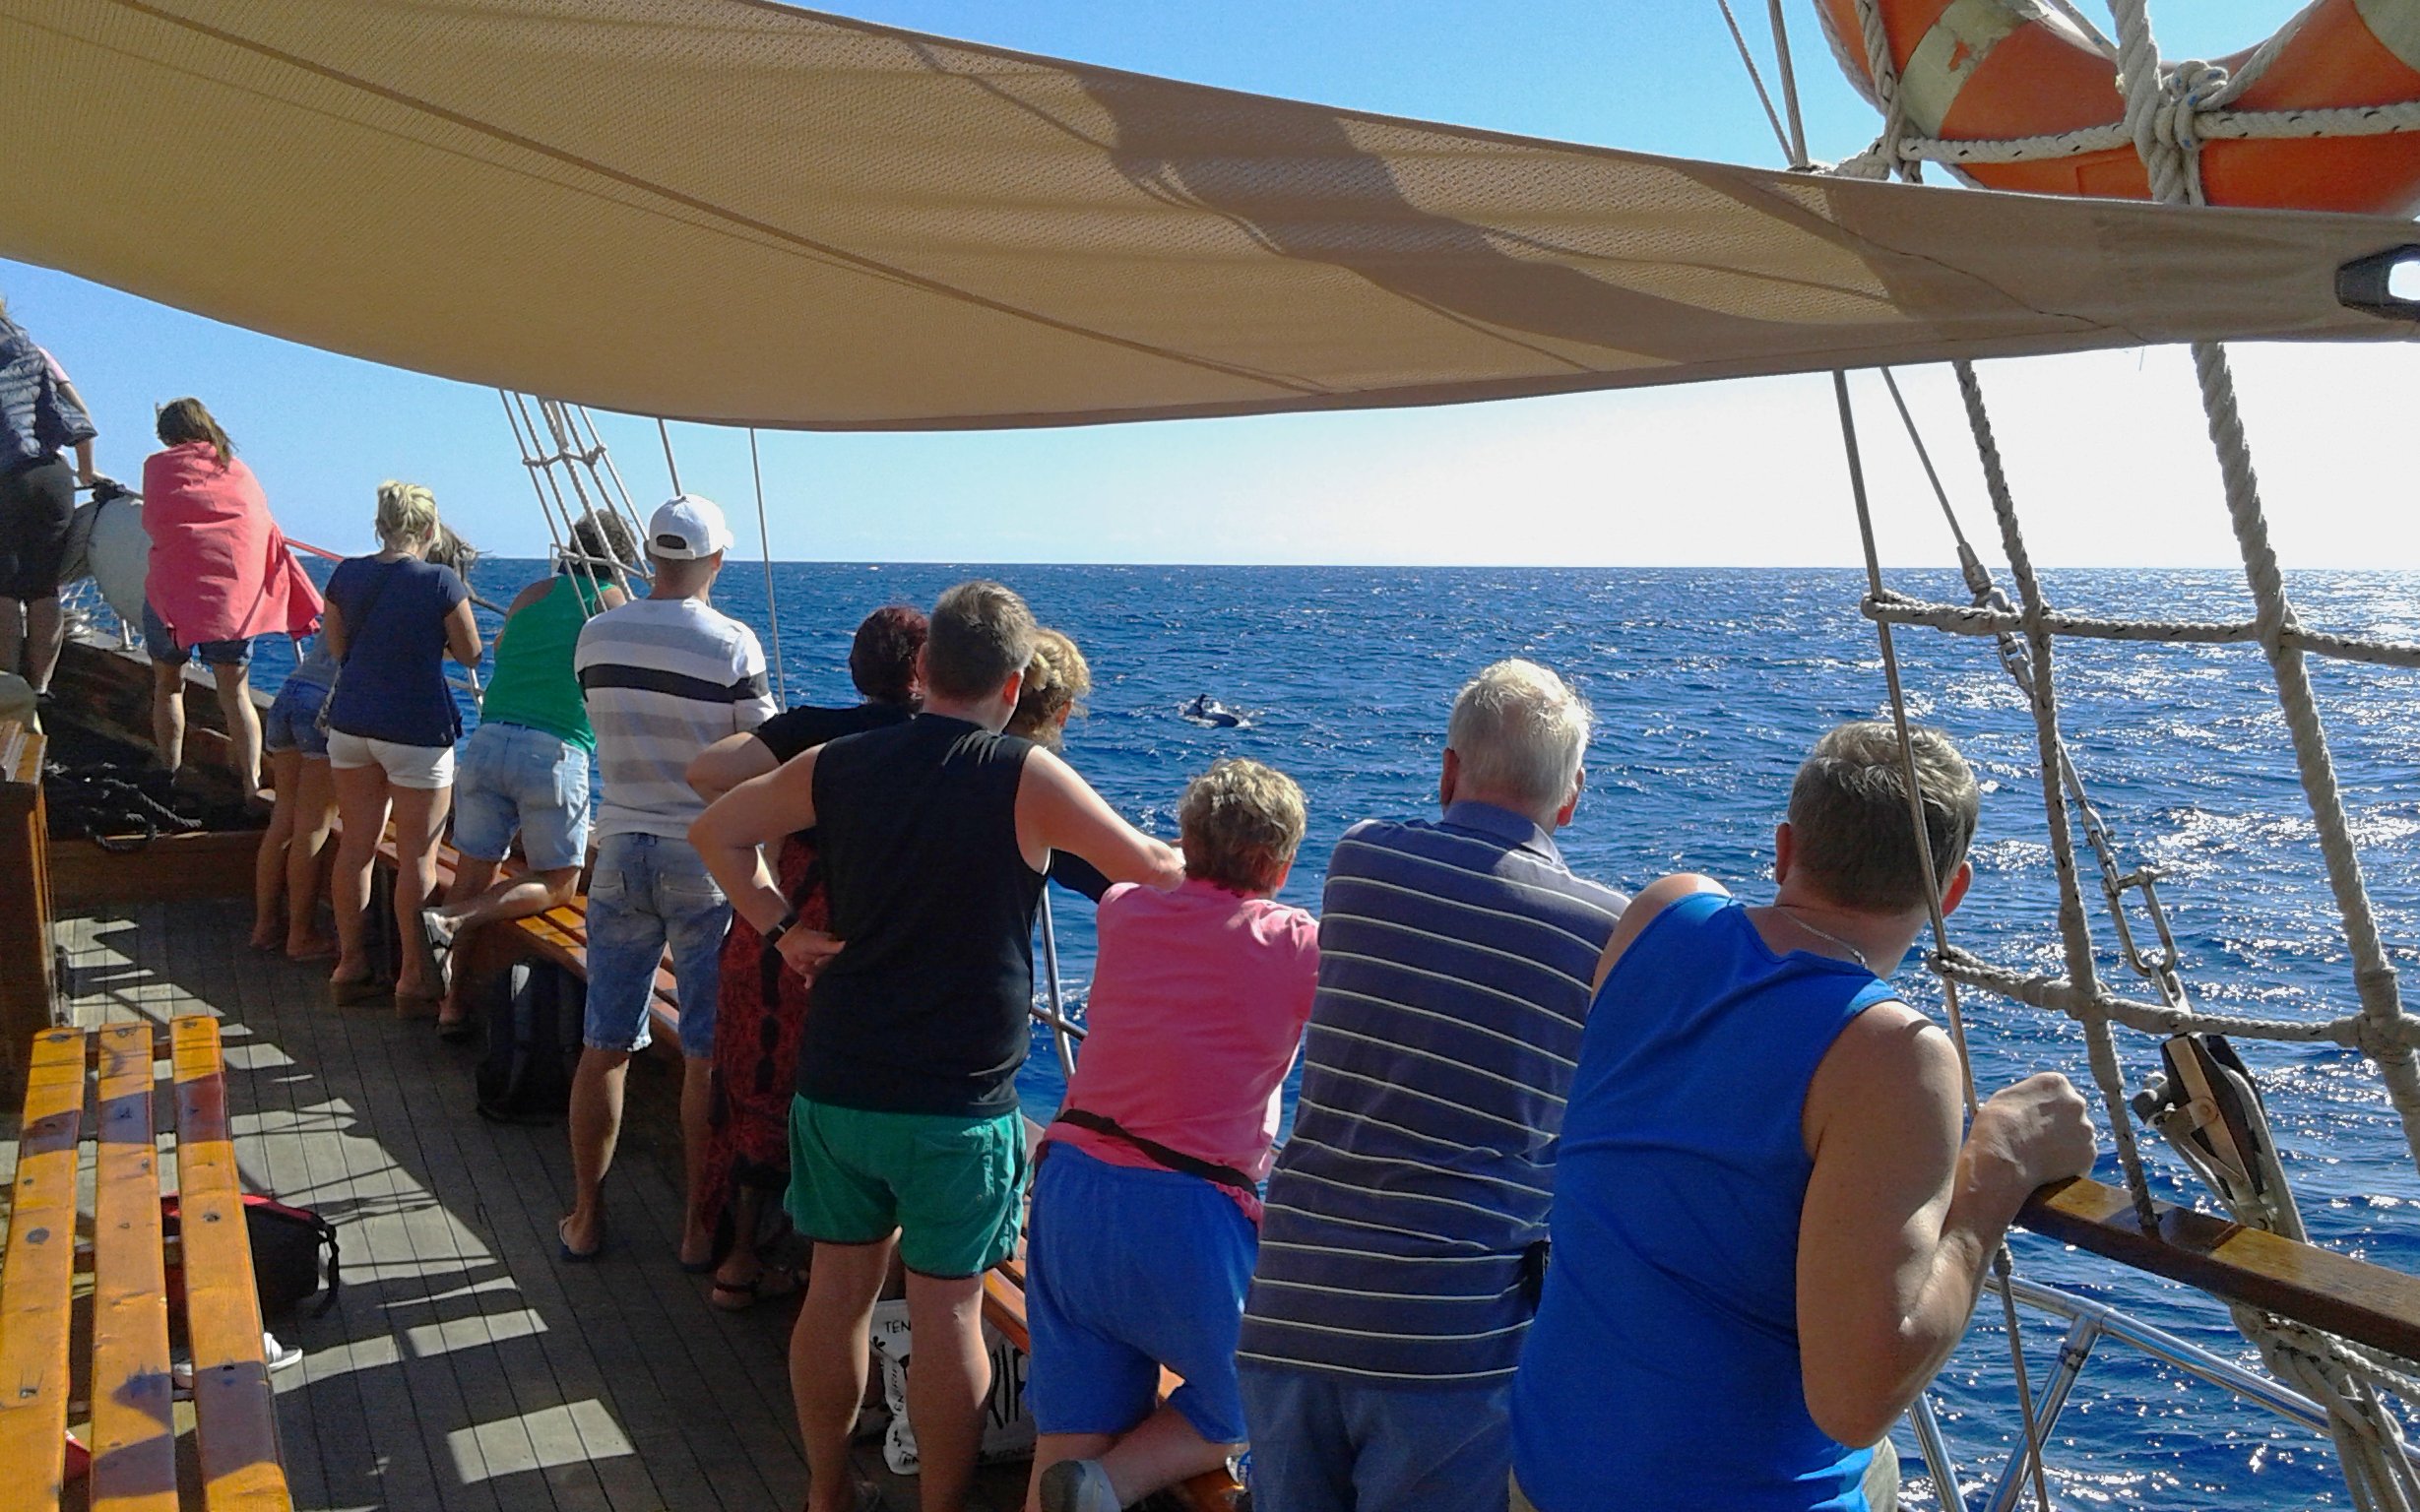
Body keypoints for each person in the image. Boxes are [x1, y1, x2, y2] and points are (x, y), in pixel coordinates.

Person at [687, 579, 1186, 1512]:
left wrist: (779, 928)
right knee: (948, 1310)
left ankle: (827, 1492)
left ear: (921, 670)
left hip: (839, 1087)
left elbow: (715, 827)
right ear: (1018, 679)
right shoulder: (1024, 775)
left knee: (834, 1293)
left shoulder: (841, 762)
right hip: (957, 1106)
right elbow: (1152, 871)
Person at [1507, 723, 2098, 1512]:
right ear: (1949, 891)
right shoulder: (1894, 1053)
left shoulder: (1662, 912)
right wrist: (1998, 1171)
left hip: (1547, 1467)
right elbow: (1854, 1404)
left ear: (1785, 849)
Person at [1236, 659, 1626, 1512]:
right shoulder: (1603, 930)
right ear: (1572, 798)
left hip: (1293, 1300)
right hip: (1444, 1338)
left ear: (1449, 770)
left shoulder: (1359, 857)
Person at [1025, 757, 1320, 1512]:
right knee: (1257, 1393)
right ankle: (1107, 1488)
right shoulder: (1295, 944)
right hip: (1184, 1211)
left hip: (1070, 1188)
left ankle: (1078, 1482)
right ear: (1279, 866)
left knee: (1070, 1432)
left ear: (1186, 842)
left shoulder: (1123, 908)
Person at [682, 602, 928, 1309]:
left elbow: (707, 773)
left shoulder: (811, 733)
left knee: (755, 1092)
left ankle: (733, 1256)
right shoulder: (929, 746)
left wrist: (784, 813)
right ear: (924, 671)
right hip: (849, 949)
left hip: (775, 934)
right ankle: (821, 1280)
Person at [560, 494, 776, 1269]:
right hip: (702, 856)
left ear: (653, 558)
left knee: (604, 1043)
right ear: (715, 561)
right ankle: (695, 1231)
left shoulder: (595, 634)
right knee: (703, 1054)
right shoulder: (732, 645)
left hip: (618, 847)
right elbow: (762, 751)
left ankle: (586, 1216)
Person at [422, 512, 640, 1038]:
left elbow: (498, 651)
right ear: (620, 557)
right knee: (561, 884)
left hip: (490, 739)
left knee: (472, 873)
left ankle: (451, 1007)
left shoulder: (530, 595)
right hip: (552, 749)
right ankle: (452, 921)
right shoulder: (612, 603)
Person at [323, 482, 481, 1008]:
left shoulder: (346, 574)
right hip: (416, 730)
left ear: (380, 524)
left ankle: (350, 965)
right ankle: (413, 978)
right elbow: (471, 654)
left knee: (356, 847)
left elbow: (338, 646)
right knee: (418, 857)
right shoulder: (441, 582)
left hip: (352, 725)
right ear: (431, 530)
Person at [140, 398, 322, 795]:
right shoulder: (238, 471)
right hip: (231, 602)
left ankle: (168, 771)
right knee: (235, 692)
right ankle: (252, 785)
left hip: (172, 596)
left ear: (168, 434)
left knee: (169, 684)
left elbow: (153, 521)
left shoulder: (157, 467)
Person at [0, 297, 97, 698]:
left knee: (3, 587)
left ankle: (6, 687)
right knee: (43, 588)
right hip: (52, 478)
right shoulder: (33, 353)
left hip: (7, 479)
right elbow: (81, 422)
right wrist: (87, 474)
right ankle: (39, 689)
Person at [250, 630, 341, 959]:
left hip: (292, 691)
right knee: (313, 827)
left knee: (284, 818)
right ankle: (301, 936)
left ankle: (265, 926)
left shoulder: (351, 587)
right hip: (324, 704)